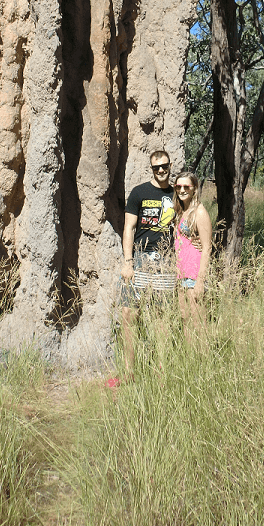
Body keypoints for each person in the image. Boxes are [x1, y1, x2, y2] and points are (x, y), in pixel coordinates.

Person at [118, 149, 176, 374]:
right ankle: (129, 371)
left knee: (162, 318)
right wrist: (128, 261)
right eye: (156, 167)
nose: (161, 170)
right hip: (140, 258)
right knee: (129, 313)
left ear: (170, 166)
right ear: (151, 168)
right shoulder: (139, 193)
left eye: (164, 166)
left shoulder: (177, 193)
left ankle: (161, 370)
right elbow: (129, 228)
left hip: (166, 262)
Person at [173, 171, 213, 332]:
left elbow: (207, 247)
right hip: (181, 274)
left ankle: (203, 357)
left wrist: (200, 281)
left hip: (194, 275)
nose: (182, 190)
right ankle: (190, 355)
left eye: (186, 187)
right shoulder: (181, 210)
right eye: (178, 186)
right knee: (185, 319)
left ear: (194, 189)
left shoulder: (199, 212)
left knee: (198, 322)